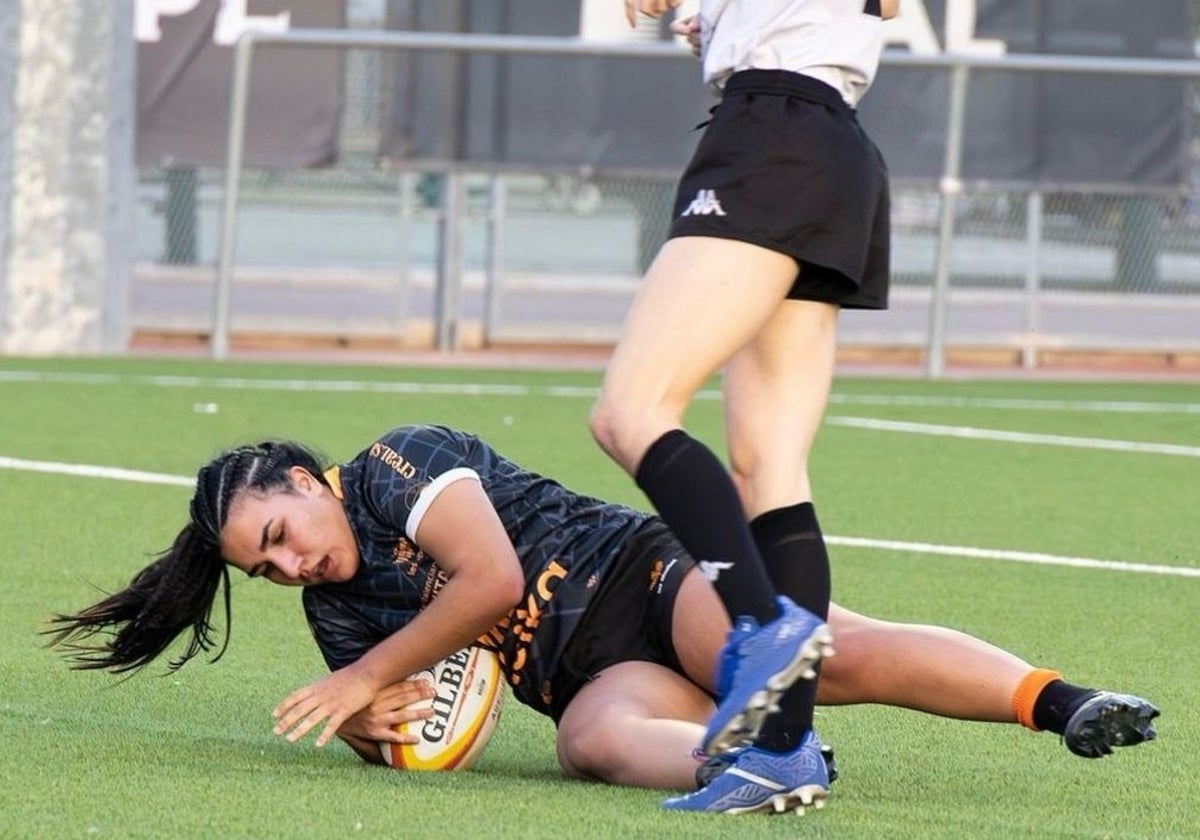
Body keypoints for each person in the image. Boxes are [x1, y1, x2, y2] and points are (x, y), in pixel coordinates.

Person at [47, 425, 1159, 816]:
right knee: (589, 744)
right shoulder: (341, 613)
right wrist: (374, 725)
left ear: (304, 477)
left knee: (839, 652)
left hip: (643, 576)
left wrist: (360, 681)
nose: (291, 567)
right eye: (266, 569)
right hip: (583, 677)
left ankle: (1060, 704)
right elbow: (411, 723)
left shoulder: (395, 464)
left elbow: (484, 584)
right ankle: (780, 759)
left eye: (280, 535)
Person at [588, 0, 901, 810]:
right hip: (823, 139)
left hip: (775, 136)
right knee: (769, 469)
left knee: (630, 412)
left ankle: (763, 624)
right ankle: (783, 755)